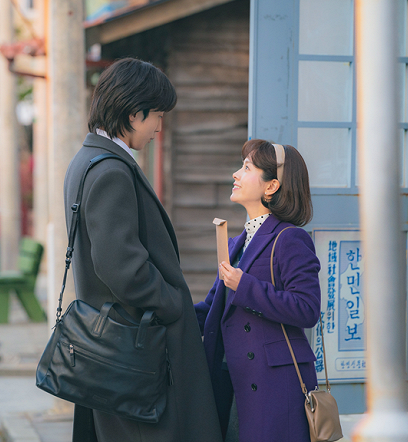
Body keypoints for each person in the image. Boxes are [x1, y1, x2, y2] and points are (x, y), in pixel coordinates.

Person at [63, 58, 223, 442]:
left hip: (114, 350)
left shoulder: (88, 160)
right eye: (157, 116)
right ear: (135, 113)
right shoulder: (111, 171)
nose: (159, 127)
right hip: (136, 352)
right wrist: (172, 303)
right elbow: (122, 269)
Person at [194, 139, 321, 442]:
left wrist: (244, 285)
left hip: (274, 386)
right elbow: (213, 308)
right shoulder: (237, 242)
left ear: (271, 186)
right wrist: (165, 314)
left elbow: (307, 309)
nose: (236, 174)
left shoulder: (290, 239)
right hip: (232, 380)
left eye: (247, 168)